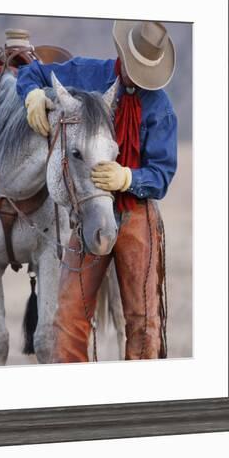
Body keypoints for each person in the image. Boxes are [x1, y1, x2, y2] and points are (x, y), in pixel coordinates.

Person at [16, 20, 178, 361]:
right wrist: (30, 93)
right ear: (122, 54)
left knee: (143, 320)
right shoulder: (89, 74)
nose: (138, 78)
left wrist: (127, 179)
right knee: (70, 315)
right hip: (89, 208)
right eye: (135, 68)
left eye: (145, 72)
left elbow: (162, 174)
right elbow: (36, 73)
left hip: (136, 212)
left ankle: (145, 400)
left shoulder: (159, 107)